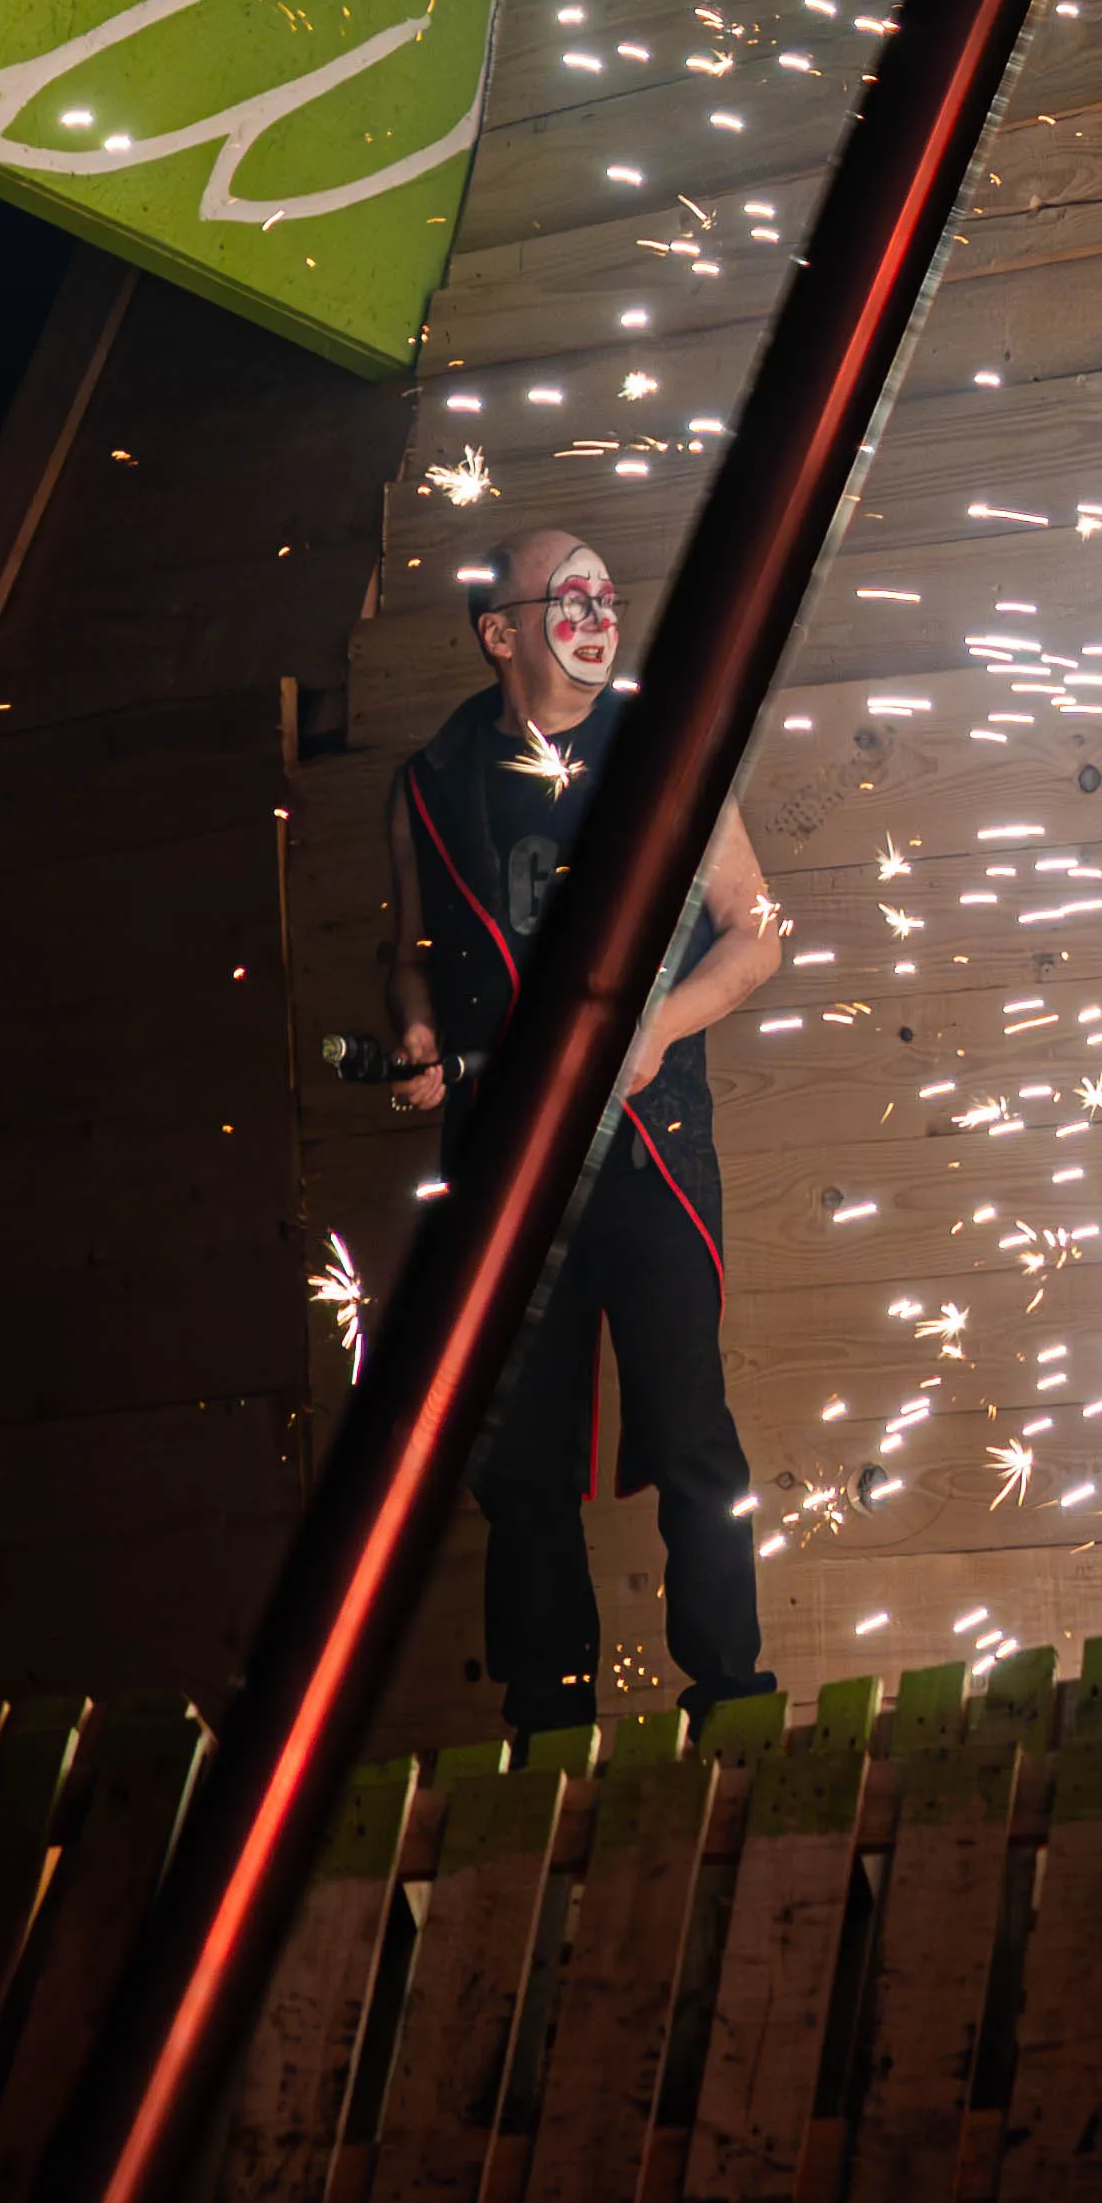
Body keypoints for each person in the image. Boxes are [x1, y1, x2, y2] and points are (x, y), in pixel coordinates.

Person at [380, 525, 789, 1734]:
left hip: (649, 1142)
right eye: (567, 597)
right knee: (519, 1460)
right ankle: (547, 1723)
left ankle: (732, 1699)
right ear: (499, 631)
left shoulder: (667, 750)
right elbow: (406, 954)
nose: (596, 615)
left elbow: (757, 931)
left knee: (691, 1431)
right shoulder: (431, 779)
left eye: (607, 592)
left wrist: (656, 1029)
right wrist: (410, 1037)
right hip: (504, 1161)